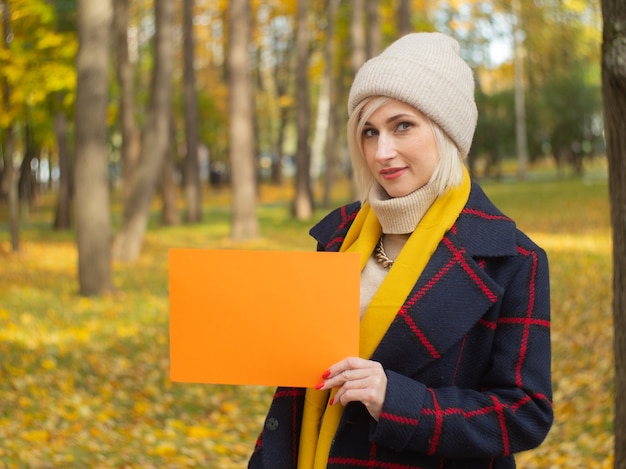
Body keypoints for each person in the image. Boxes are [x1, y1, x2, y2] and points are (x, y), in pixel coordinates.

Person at [248, 32, 553, 469]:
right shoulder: (337, 238)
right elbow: (300, 386)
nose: (381, 152)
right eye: (369, 132)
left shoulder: (512, 259)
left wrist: (398, 400)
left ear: (446, 131)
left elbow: (525, 414)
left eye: (402, 125)